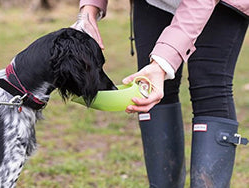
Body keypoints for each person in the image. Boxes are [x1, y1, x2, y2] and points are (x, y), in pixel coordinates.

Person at [72, 0, 248, 187]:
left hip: (218, 5)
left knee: (209, 85)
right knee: (148, 86)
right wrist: (89, 10)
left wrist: (161, 64)